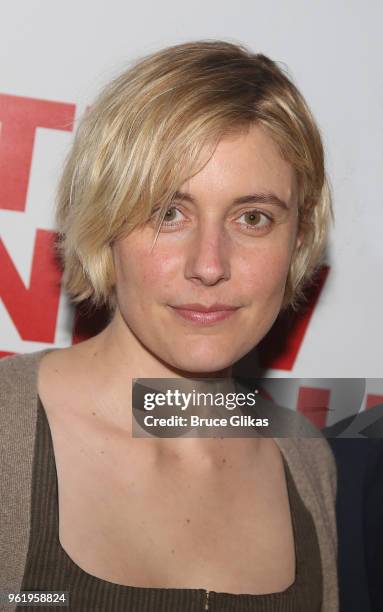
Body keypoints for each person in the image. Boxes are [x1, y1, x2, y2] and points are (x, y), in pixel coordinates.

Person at [0, 40, 337, 611]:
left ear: (298, 240)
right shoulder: (8, 430)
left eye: (253, 218)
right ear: (105, 223)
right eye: (168, 213)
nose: (209, 264)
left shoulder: (306, 462)